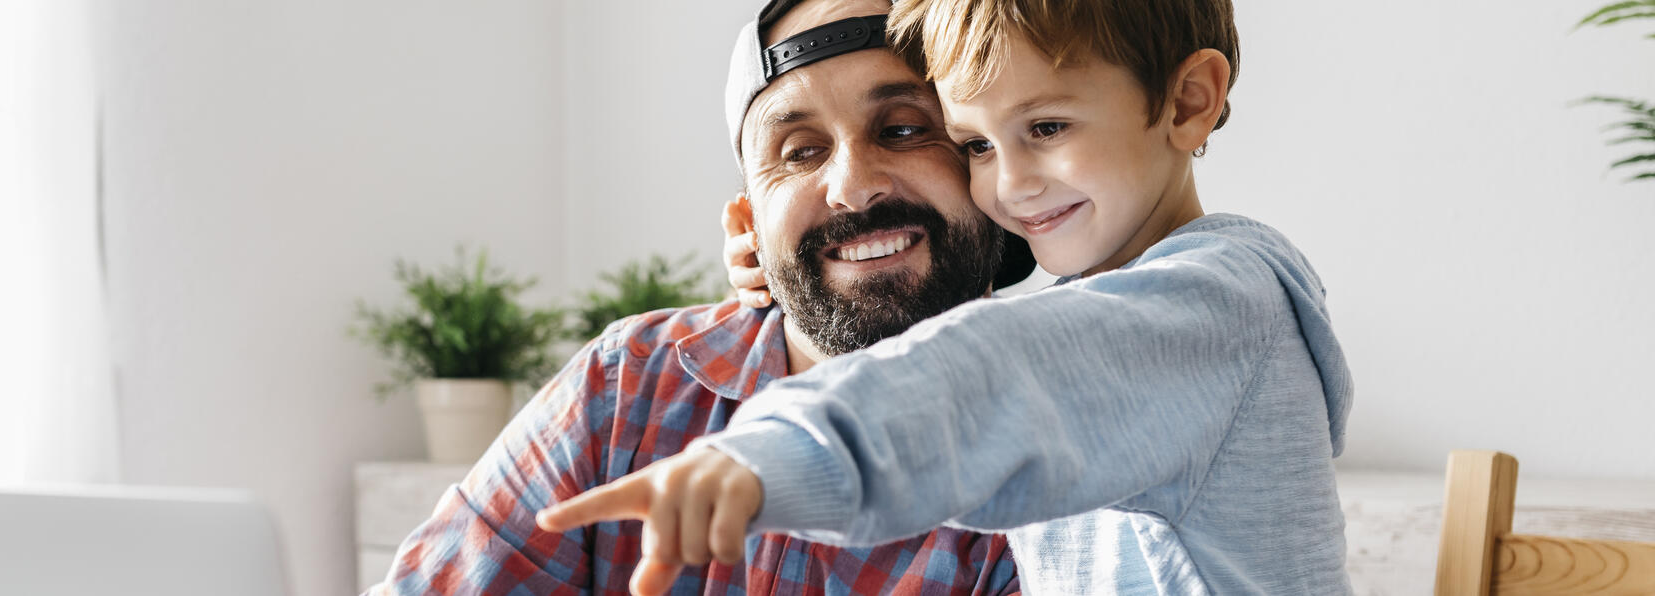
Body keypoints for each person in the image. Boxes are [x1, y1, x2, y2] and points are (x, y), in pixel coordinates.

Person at [537, 0, 1356, 594]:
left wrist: (770, 454)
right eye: (974, 145)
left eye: (1046, 128)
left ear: (1187, 101)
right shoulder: (625, 380)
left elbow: (1001, 377)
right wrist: (793, 267)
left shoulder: (1216, 303)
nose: (1012, 185)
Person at [373, 0, 1038, 593]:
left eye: (902, 129)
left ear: (989, 168)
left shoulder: (1053, 445)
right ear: (747, 222)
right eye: (800, 151)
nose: (852, 186)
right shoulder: (626, 387)